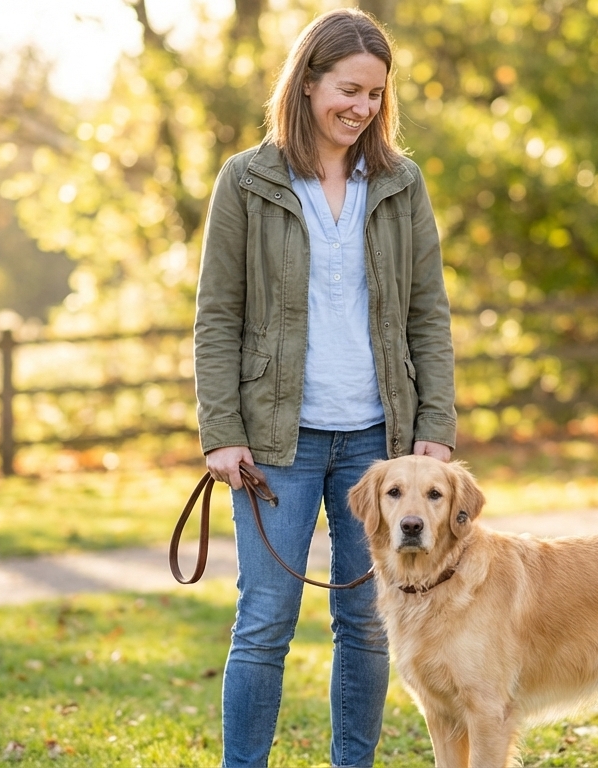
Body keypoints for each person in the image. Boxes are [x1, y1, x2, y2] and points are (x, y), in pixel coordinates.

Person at [192, 8, 456, 766]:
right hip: (278, 441)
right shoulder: (247, 180)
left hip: (381, 440)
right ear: (307, 83)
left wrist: (433, 423)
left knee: (368, 623)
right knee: (265, 619)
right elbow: (218, 315)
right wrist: (221, 431)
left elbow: (427, 315)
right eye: (348, 89)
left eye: (375, 95)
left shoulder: (401, 183)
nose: (361, 107)